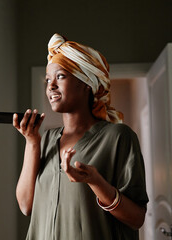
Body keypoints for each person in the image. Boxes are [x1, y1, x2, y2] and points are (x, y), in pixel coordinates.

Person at [13, 33, 149, 240]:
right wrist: (32, 143)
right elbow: (25, 205)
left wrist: (95, 182)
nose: (50, 86)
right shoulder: (47, 139)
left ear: (87, 82)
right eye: (48, 79)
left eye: (60, 76)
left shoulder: (118, 137)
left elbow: (136, 218)